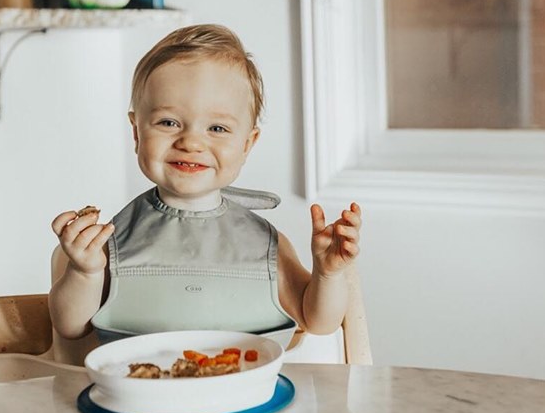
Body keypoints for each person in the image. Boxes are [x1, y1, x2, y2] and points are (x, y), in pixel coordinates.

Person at [49, 24, 361, 350]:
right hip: (141, 397)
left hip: (245, 396)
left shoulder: (267, 245)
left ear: (247, 144)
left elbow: (320, 323)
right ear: (137, 133)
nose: (191, 142)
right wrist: (85, 272)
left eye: (217, 127)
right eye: (168, 123)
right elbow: (70, 327)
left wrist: (327, 274)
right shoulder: (108, 243)